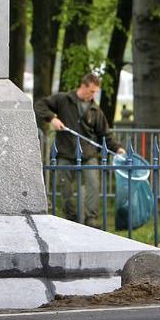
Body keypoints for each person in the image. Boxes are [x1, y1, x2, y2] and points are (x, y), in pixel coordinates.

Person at [34, 73, 125, 227]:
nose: (93, 95)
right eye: (92, 91)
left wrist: (117, 148)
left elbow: (105, 134)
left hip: (88, 154)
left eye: (96, 92)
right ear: (83, 86)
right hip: (64, 152)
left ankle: (91, 219)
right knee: (65, 187)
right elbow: (39, 105)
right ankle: (71, 219)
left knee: (93, 184)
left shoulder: (95, 110)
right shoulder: (63, 99)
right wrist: (52, 118)